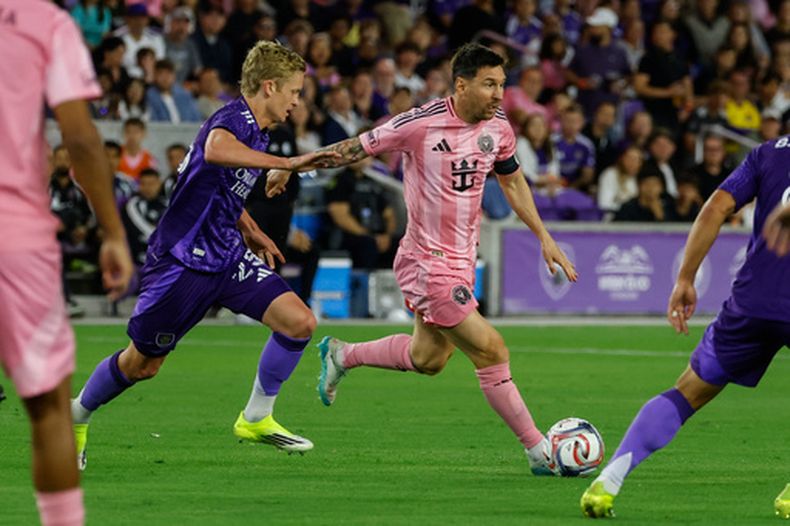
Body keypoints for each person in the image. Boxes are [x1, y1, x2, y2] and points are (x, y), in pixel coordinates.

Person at [267, 43, 577, 474]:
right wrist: (291, 163)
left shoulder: (500, 127)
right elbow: (351, 150)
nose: (498, 95)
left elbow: (512, 181)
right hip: (426, 261)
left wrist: (544, 236)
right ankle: (539, 451)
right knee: (491, 350)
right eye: (489, 84)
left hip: (462, 260)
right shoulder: (420, 124)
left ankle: (343, 354)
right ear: (462, 83)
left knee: (429, 359)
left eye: (502, 85)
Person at [69, 41, 340, 470]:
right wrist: (288, 164)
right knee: (142, 365)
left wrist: (251, 230)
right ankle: (77, 413)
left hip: (227, 255)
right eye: (294, 90)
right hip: (182, 261)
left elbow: (219, 184)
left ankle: (256, 417)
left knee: (298, 321)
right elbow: (215, 150)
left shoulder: (256, 130)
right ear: (269, 87)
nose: (297, 100)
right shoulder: (233, 119)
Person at [581, 134, 790, 518]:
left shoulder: (766, 154)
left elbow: (715, 207)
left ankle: (608, 480)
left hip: (753, 301)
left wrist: (685, 278)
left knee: (688, 391)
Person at [0, 2, 134, 525]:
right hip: (17, 234)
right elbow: (79, 138)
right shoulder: (45, 23)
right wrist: (113, 233)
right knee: (50, 411)